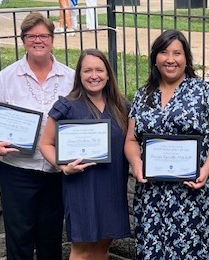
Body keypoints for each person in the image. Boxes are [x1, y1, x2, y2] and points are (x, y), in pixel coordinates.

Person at [124, 29, 209, 259]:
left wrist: (205, 170)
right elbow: (132, 139)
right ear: (155, 58)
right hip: (153, 197)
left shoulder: (206, 92)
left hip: (196, 193)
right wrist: (136, 163)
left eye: (177, 53)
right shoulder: (143, 95)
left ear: (186, 59)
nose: (171, 59)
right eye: (164, 53)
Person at [0, 12, 75, 260]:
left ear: (52, 40)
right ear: (23, 40)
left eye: (43, 35)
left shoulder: (71, 78)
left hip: (55, 171)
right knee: (19, 238)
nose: (38, 41)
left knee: (51, 238)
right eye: (32, 36)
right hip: (16, 170)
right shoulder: (7, 77)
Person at [40, 49, 131, 259]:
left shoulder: (121, 106)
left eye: (99, 70)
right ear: (79, 75)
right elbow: (46, 144)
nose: (94, 75)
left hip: (111, 185)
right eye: (87, 70)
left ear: (108, 75)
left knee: (102, 248)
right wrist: (63, 166)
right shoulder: (66, 106)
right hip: (80, 186)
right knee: (81, 251)